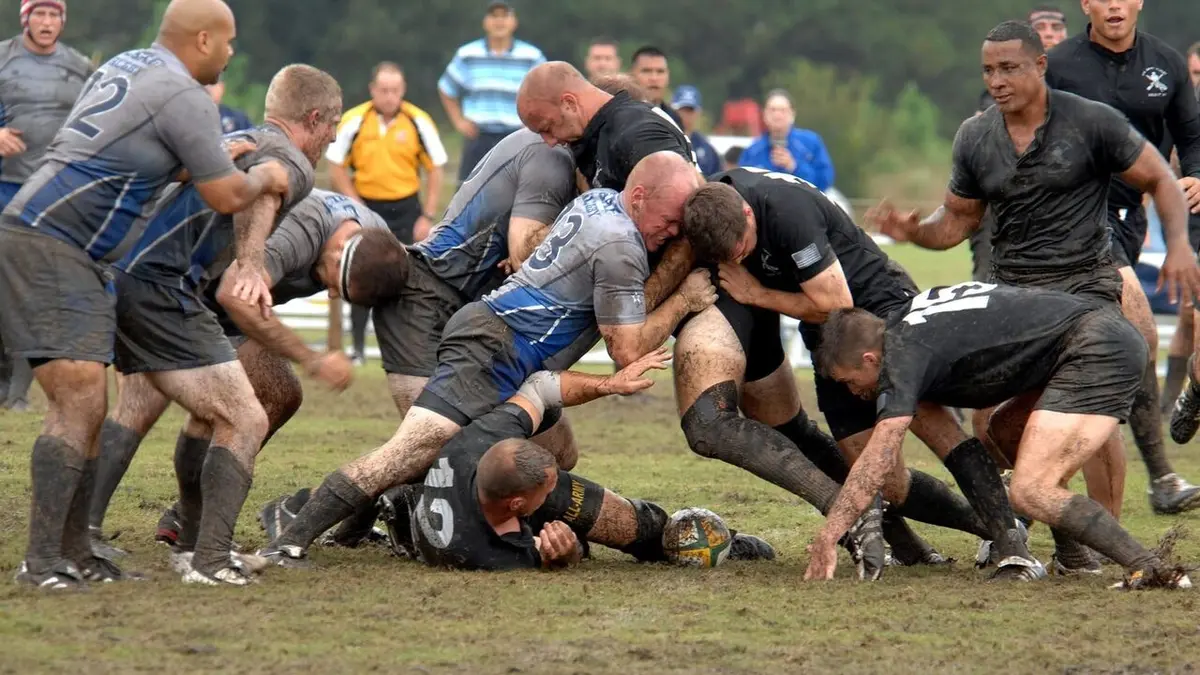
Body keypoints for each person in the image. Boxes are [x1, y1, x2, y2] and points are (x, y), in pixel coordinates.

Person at [258, 151, 712, 567]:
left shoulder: (599, 202)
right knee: (411, 449)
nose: (673, 232)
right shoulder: (620, 244)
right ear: (638, 196)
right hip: (495, 346)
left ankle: (393, 507)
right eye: (671, 220)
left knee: (558, 453)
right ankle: (290, 540)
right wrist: (684, 299)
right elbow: (627, 350)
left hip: (513, 349)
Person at [0, 0, 293, 590]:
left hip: (46, 232)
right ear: (203, 40)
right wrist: (265, 176)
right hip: (53, 241)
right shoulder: (184, 96)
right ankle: (41, 562)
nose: (233, 53)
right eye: (229, 42)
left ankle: (77, 554)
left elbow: (136, 153)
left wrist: (207, 158)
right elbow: (228, 197)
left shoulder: (128, 65)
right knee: (77, 403)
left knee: (89, 402)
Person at [871, 21, 1200, 529]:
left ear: (1039, 66)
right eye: (988, 70)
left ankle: (1099, 535)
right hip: (1014, 294)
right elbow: (958, 219)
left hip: (1085, 287)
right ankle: (1051, 522)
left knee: (1092, 419)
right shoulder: (976, 136)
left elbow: (1159, 176)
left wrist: (1178, 246)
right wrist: (916, 232)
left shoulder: (1092, 122)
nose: (997, 80)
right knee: (993, 423)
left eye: (1009, 68)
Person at [680, 169, 1038, 577]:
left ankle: (1010, 540)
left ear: (747, 212)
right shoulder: (712, 207)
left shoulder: (785, 211)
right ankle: (986, 526)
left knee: (932, 425)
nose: (738, 261)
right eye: (727, 259)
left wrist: (756, 295)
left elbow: (836, 301)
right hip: (827, 337)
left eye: (741, 249)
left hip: (878, 311)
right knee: (884, 480)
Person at [107, 63, 342, 586]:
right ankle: (209, 559)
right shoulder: (294, 161)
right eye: (333, 126)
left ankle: (87, 540)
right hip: (162, 286)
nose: (333, 137)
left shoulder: (237, 137)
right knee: (246, 418)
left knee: (135, 407)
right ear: (313, 117)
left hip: (126, 274)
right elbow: (268, 191)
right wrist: (253, 260)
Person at [806, 284, 1190, 590]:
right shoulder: (905, 327)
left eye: (850, 381)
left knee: (1030, 490)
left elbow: (877, 460)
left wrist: (829, 535)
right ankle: (1074, 557)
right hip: (1088, 338)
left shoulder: (902, 356)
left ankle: (1151, 568)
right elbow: (954, 445)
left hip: (1094, 349)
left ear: (870, 359)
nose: (854, 393)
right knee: (1004, 431)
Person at [88, 190, 409, 552]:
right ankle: (85, 530)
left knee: (274, 395)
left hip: (210, 298)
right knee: (144, 402)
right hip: (167, 283)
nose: (332, 295)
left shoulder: (377, 241)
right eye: (338, 285)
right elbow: (234, 295)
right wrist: (312, 359)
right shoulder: (301, 232)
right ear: (338, 254)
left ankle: (187, 518)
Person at [1043, 2, 1200, 502]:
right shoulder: (1061, 63)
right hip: (1072, 215)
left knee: (1112, 346)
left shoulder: (1167, 63)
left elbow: (1191, 135)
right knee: (1140, 331)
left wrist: (1194, 172)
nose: (1113, 5)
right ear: (1085, 5)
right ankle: (1158, 478)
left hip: (1132, 217)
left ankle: (1142, 474)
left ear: (1138, 3)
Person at [0, 0, 92, 412]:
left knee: (32, 292)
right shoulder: (2, 57)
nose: (47, 22)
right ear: (26, 19)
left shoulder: (79, 66)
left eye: (54, 15)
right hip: (4, 185)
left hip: (51, 193)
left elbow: (98, 120)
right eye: (39, 14)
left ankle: (17, 394)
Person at [327, 61, 447, 365]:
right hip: (366, 207)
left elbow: (436, 168)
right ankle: (356, 349)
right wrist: (355, 204)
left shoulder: (418, 121)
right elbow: (336, 165)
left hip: (406, 209)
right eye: (383, 90)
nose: (389, 96)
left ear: (403, 90)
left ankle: (405, 351)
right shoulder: (355, 120)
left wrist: (428, 215)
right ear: (372, 90)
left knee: (407, 278)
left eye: (395, 90)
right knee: (358, 273)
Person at [516, 62, 695, 192]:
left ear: (569, 103)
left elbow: (685, 209)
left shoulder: (635, 132)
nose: (550, 141)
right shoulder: (599, 134)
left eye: (548, 128)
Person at [438, 1, 545, 184]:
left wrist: (534, 124)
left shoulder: (531, 57)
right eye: (494, 16)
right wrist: (458, 121)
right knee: (469, 196)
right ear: (485, 22)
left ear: (514, 22)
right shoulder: (468, 55)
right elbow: (446, 88)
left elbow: (547, 92)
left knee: (516, 194)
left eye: (504, 16)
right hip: (479, 137)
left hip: (517, 137)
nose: (499, 22)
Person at [1163, 42, 1200, 411]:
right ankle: (1171, 400)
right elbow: (1166, 165)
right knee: (1188, 316)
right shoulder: (1182, 114)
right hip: (1192, 223)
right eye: (1195, 75)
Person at [738, 89, 835, 192]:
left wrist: (795, 167)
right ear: (764, 115)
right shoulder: (753, 151)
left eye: (782, 110)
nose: (777, 115)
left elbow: (824, 181)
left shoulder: (811, 143)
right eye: (772, 110)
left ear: (792, 114)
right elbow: (742, 185)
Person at [672, 85, 720, 177]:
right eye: (682, 110)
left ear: (698, 112)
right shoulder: (664, 138)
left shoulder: (706, 147)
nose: (686, 115)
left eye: (690, 110)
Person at [629, 46, 682, 128]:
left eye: (660, 71)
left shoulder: (673, 118)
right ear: (631, 75)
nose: (654, 78)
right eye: (646, 71)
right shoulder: (620, 114)